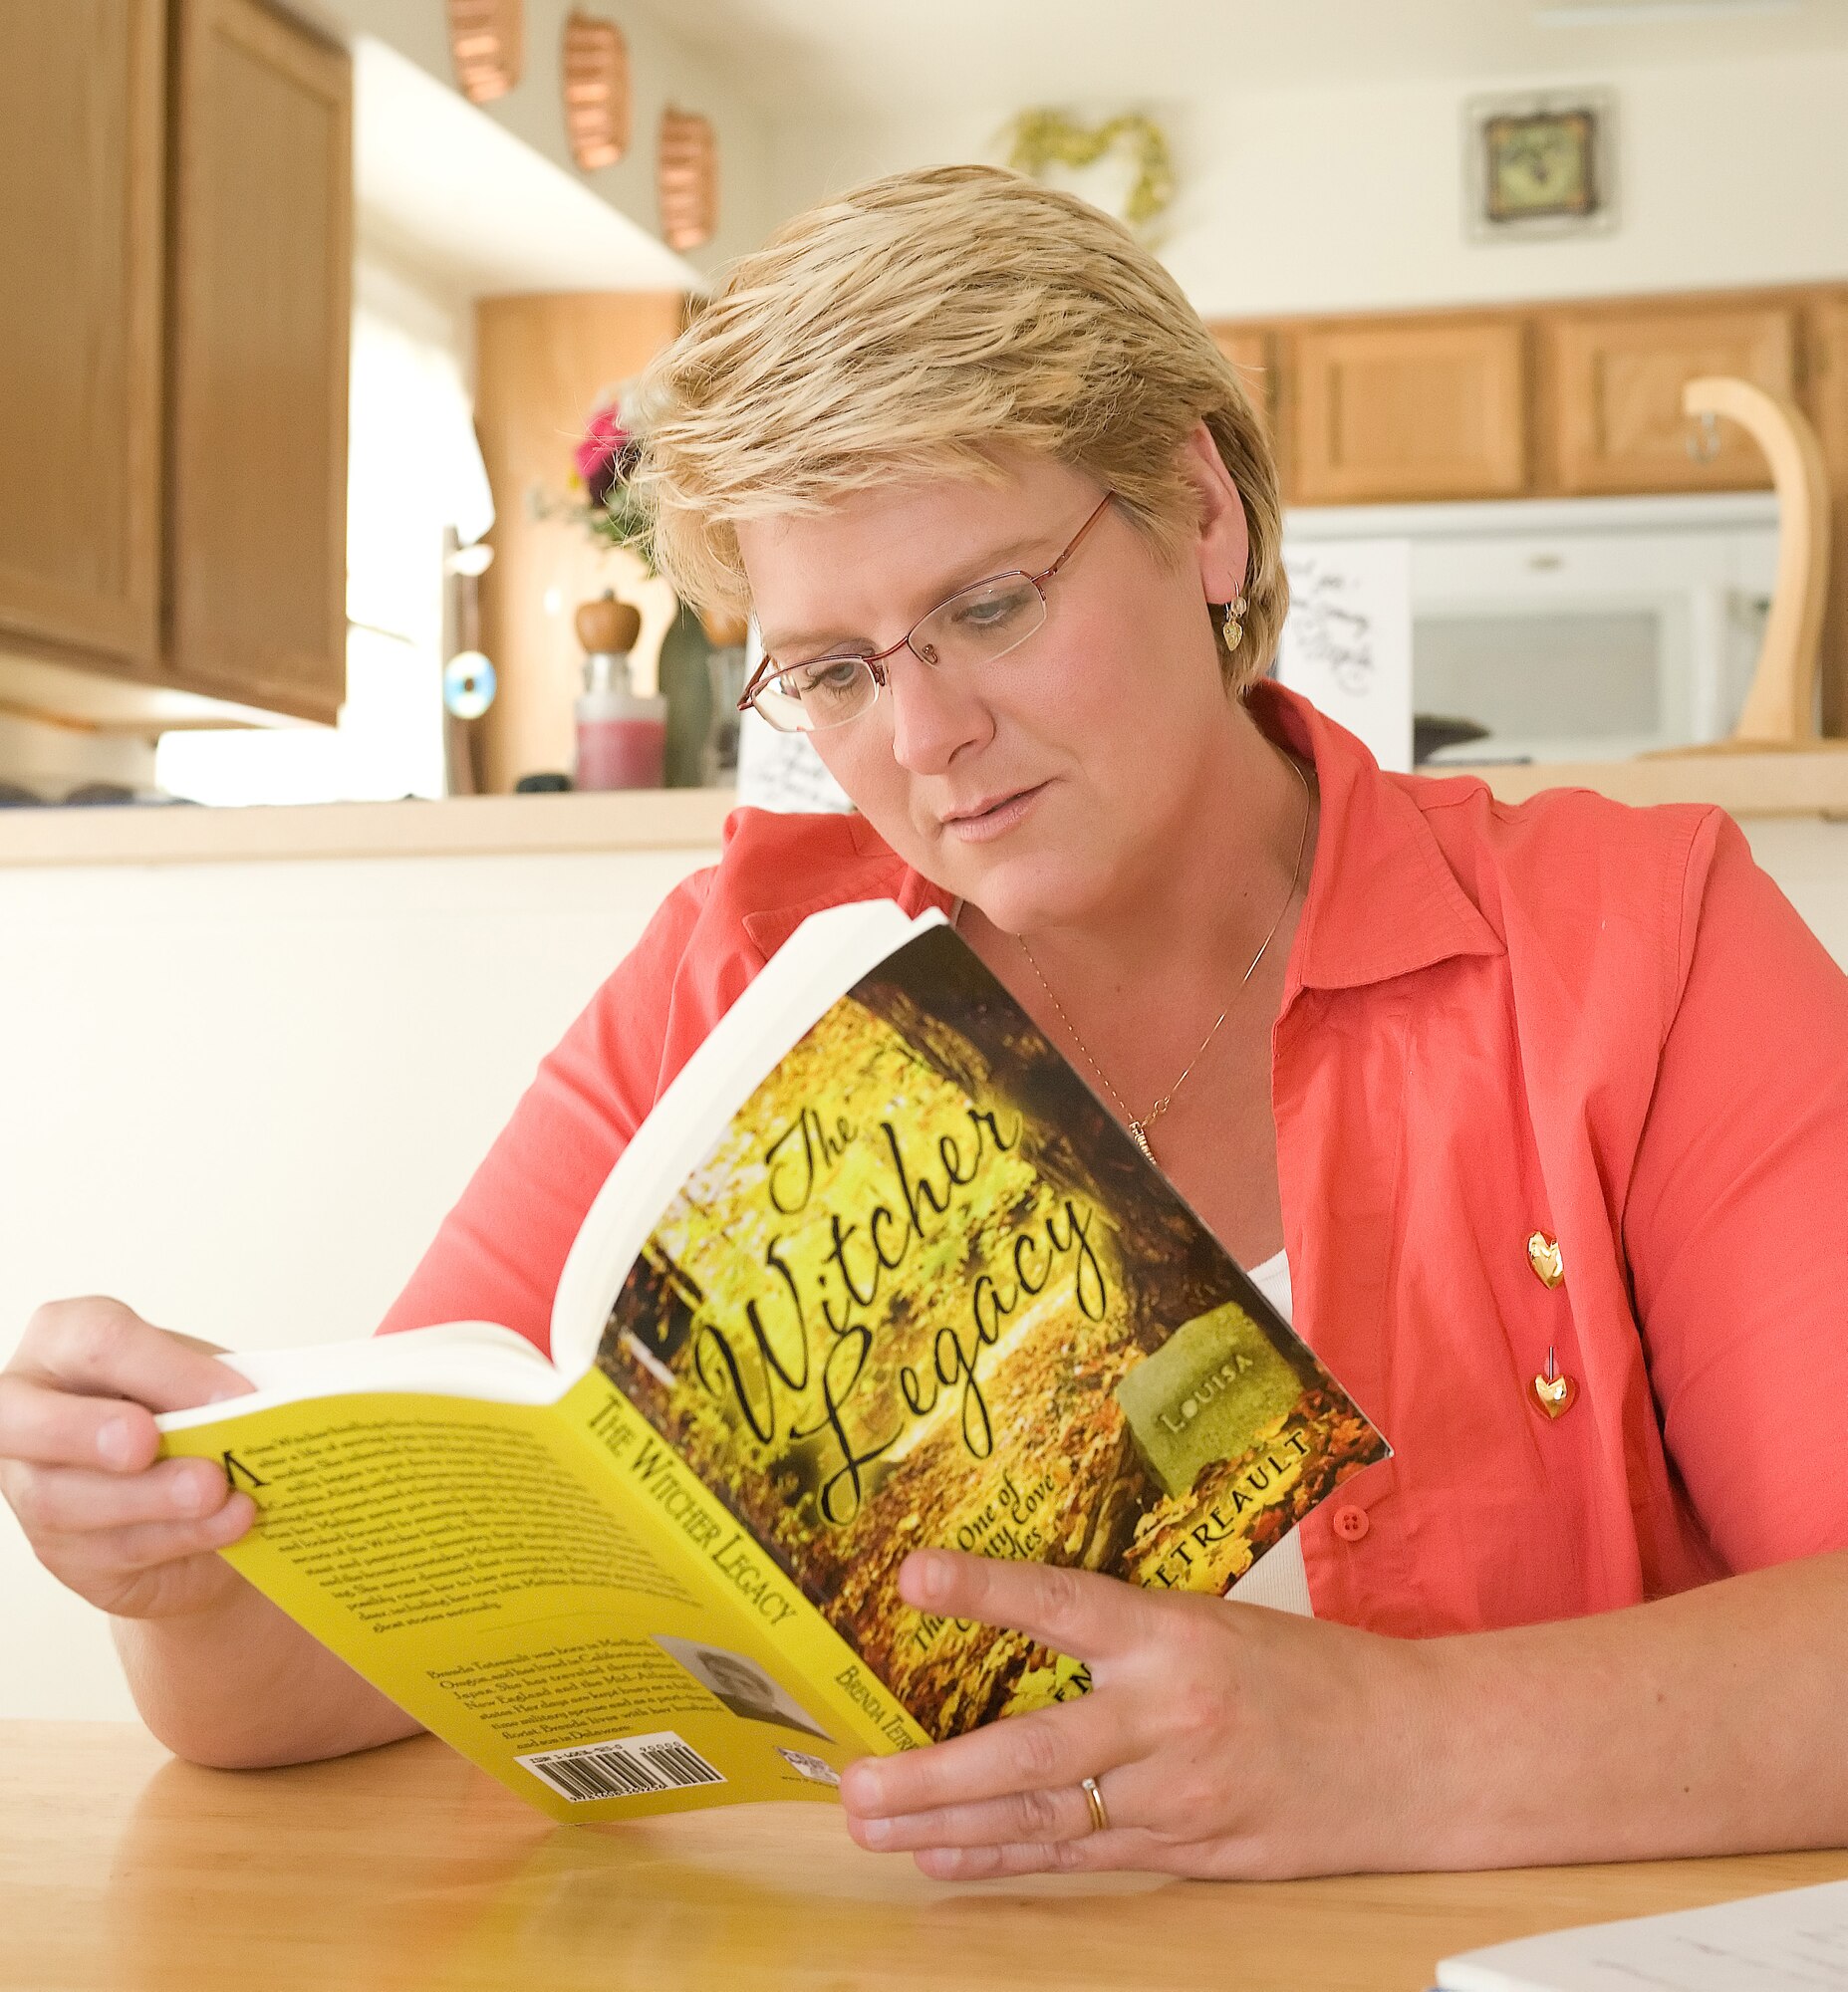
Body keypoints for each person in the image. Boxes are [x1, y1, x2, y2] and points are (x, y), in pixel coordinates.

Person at [5, 164, 1846, 1880]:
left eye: (988, 606)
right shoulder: (733, 975)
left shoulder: (1637, 942)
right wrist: (176, 1568)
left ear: (1199, 514)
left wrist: (1383, 1750)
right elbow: (307, 1691)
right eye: (828, 671)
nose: (925, 738)